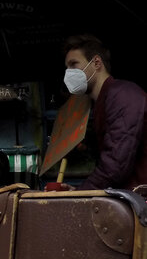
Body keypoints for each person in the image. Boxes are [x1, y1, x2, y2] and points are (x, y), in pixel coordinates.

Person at [57, 34, 146, 190]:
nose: (68, 73)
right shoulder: (102, 102)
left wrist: (80, 194)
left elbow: (115, 166)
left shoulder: (123, 95)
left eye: (73, 64)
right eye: (66, 68)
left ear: (96, 63)